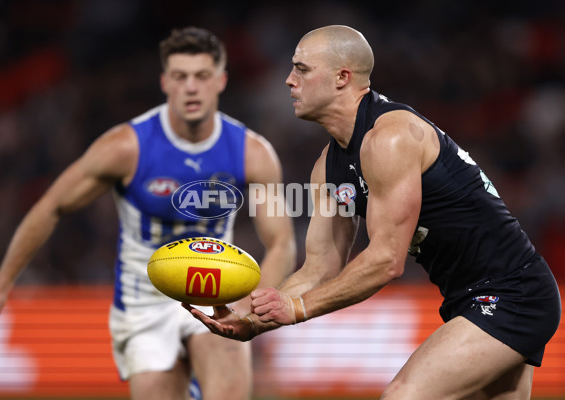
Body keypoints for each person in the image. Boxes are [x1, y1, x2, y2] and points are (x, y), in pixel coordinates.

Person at [185, 25, 562, 399]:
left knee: (403, 396)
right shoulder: (327, 168)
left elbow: (386, 261)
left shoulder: (390, 137)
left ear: (342, 77)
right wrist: (252, 320)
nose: (288, 81)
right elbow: (319, 268)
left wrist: (296, 308)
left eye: (301, 69)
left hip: (512, 294)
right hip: (470, 299)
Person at [0, 27, 296, 400]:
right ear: (165, 82)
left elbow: (282, 242)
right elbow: (51, 206)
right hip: (145, 300)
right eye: (180, 77)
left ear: (221, 81)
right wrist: (1, 284)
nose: (191, 87)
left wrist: (251, 307)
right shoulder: (126, 147)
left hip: (214, 290)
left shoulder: (251, 153)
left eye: (202, 76)